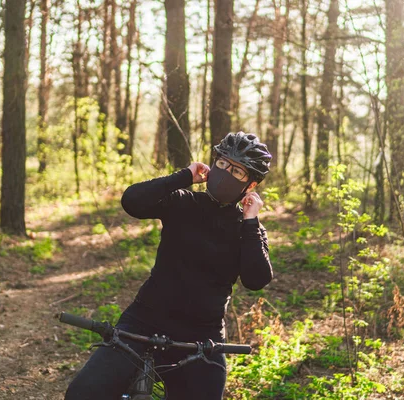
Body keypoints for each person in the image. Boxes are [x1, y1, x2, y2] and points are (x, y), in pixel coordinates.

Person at [65, 132, 274, 400]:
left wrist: (251, 222)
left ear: (251, 184)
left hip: (201, 337)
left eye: (237, 171)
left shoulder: (248, 230)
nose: (226, 172)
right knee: (83, 394)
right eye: (222, 164)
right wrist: (184, 176)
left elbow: (256, 279)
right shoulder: (183, 202)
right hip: (143, 320)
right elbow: (133, 201)